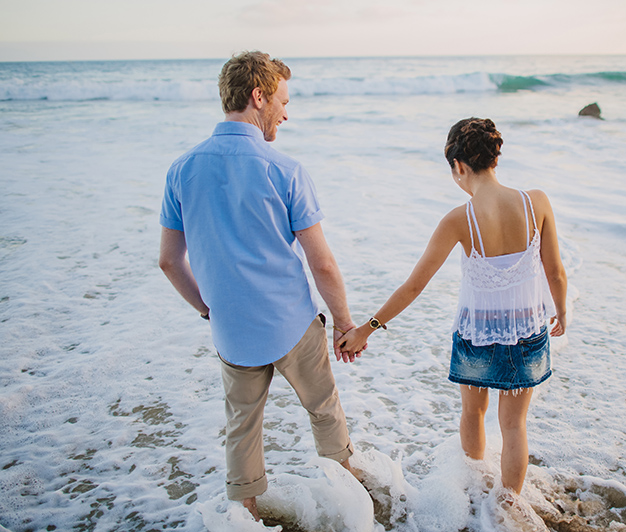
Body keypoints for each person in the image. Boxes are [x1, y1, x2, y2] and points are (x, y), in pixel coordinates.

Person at [158, 51, 360, 521]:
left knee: (241, 429)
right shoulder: (284, 169)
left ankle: (242, 517)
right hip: (292, 324)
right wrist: (344, 323)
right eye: (283, 101)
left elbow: (169, 262)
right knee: (325, 412)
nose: (286, 114)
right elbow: (323, 264)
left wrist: (209, 310)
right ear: (258, 96)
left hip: (232, 332)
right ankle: (355, 507)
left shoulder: (181, 169)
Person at [339, 117, 568, 496]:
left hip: (477, 334)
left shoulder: (459, 219)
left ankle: (474, 490)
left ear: (459, 166)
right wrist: (560, 311)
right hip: (527, 330)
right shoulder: (536, 202)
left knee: (473, 413)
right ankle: (510, 507)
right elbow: (555, 270)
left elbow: (413, 286)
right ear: (494, 158)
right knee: (514, 426)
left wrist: (366, 329)